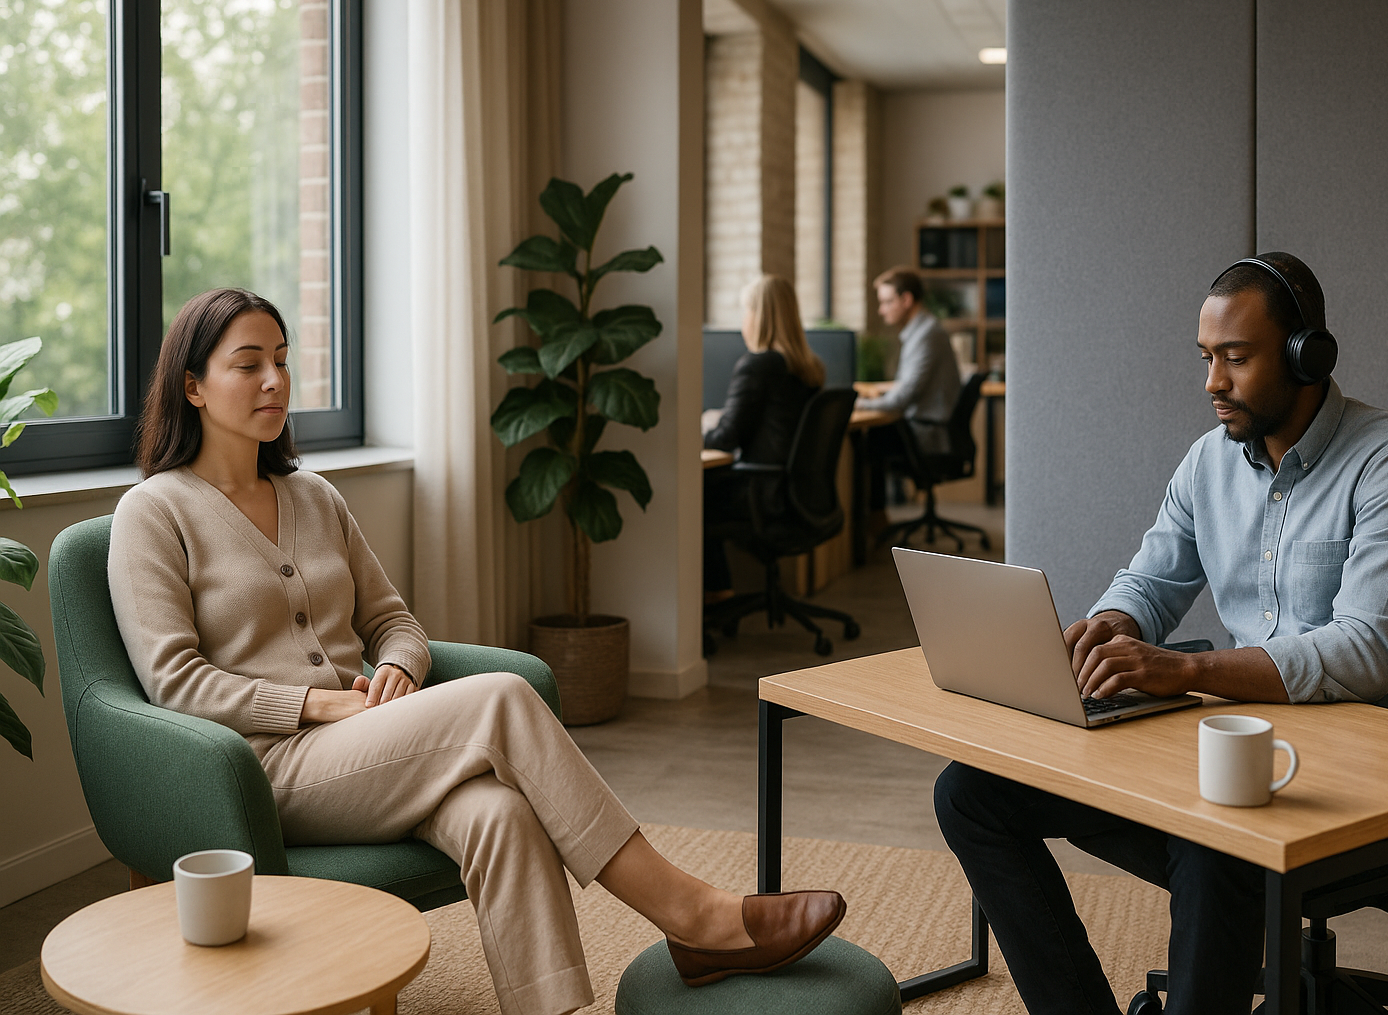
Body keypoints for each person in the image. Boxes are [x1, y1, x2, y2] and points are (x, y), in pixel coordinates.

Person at [107, 287, 846, 1015]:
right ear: (193, 387)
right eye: (247, 365)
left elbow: (394, 621)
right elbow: (174, 681)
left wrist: (398, 665)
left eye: (282, 359)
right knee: (500, 694)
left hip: (365, 746)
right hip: (260, 769)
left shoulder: (314, 497)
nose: (275, 380)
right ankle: (696, 916)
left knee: (502, 815)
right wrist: (314, 701)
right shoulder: (153, 513)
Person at [932, 252, 1388, 1015]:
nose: (1213, 382)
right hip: (1238, 748)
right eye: (1207, 358)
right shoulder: (1208, 463)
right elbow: (1152, 580)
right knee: (971, 794)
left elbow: (1364, 653)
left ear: (1308, 354)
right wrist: (1109, 627)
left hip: (1365, 766)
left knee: (1212, 847)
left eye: (1236, 359)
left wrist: (1181, 673)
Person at [701, 274, 824, 600]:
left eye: (746, 311)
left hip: (763, 495)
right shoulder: (809, 368)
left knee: (694, 496)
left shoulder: (758, 365)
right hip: (795, 494)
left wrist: (696, 433)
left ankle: (717, 596)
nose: (744, 321)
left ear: (760, 316)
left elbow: (726, 437)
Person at [854, 266, 961, 512]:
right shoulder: (923, 331)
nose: (881, 311)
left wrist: (858, 403)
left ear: (906, 299)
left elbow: (903, 398)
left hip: (928, 434)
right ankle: (874, 522)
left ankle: (870, 524)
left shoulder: (926, 335)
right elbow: (908, 386)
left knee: (865, 443)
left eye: (887, 302)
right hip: (927, 426)